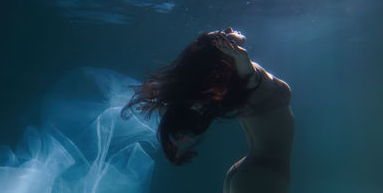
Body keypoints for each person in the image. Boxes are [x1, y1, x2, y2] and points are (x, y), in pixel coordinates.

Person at [122, 27, 295, 193]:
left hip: (252, 171)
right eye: (222, 35)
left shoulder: (231, 86)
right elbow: (250, 78)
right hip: (263, 174)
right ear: (222, 51)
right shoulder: (245, 75)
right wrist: (242, 57)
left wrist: (164, 107)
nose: (228, 29)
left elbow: (197, 104)